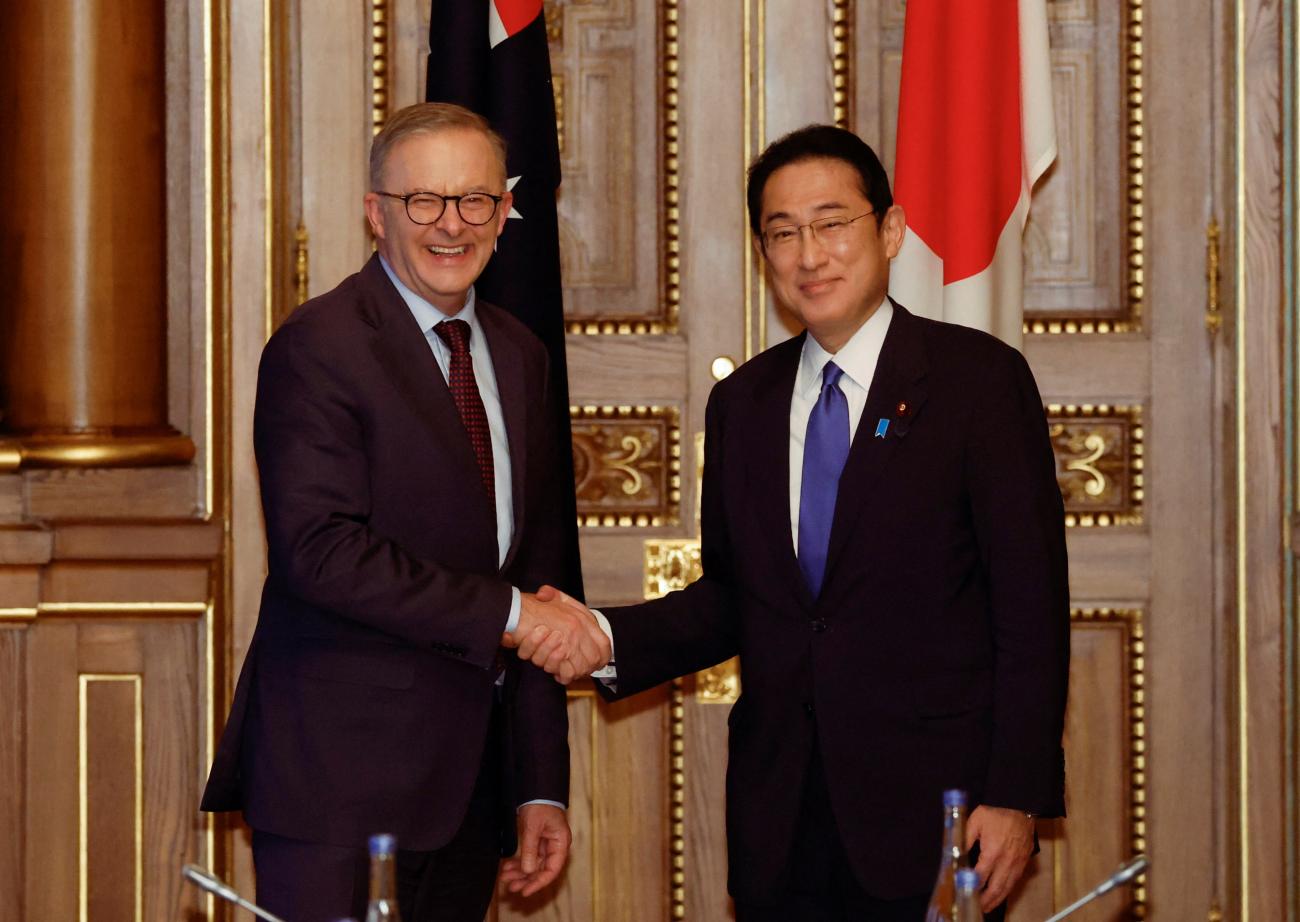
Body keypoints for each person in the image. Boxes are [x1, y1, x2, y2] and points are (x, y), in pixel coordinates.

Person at [517, 125, 1069, 920]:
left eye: (831, 223)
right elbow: (737, 598)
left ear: (889, 230)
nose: (809, 254)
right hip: (781, 818)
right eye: (783, 233)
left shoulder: (976, 383)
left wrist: (1014, 794)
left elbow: (1030, 607)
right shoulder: (743, 403)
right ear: (763, 253)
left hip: (934, 814)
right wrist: (605, 640)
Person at [201, 102, 610, 922]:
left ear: (504, 212)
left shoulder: (520, 356)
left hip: (467, 798)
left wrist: (539, 787)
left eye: (475, 201)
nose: (450, 225)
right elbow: (321, 551)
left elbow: (533, 572)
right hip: (338, 789)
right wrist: (511, 617)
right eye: (423, 201)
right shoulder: (320, 346)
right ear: (375, 213)